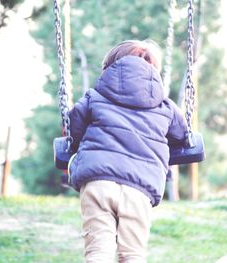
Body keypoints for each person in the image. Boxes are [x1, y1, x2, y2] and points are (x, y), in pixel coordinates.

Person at [68, 39, 187, 262]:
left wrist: (74, 145)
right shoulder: (166, 107)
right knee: (132, 255)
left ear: (110, 67)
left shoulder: (94, 97)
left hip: (98, 182)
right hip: (139, 188)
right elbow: (182, 136)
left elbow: (75, 125)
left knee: (98, 252)